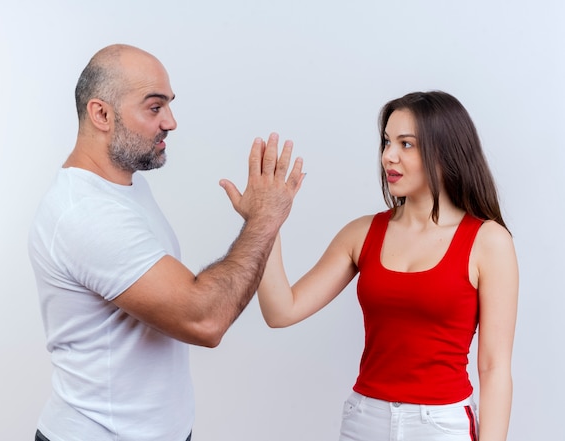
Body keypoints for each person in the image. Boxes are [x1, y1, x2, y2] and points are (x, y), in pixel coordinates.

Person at [28, 43, 304, 441]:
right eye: (155, 107)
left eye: (169, 106)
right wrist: (264, 220)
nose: (171, 122)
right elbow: (204, 319)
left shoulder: (123, 187)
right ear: (101, 114)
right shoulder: (86, 213)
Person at [257, 91, 518, 441]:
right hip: (365, 419)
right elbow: (281, 311)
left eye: (406, 144)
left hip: (442, 425)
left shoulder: (489, 242)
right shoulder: (362, 233)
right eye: (386, 142)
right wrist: (266, 223)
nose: (388, 156)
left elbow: (495, 366)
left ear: (445, 151)